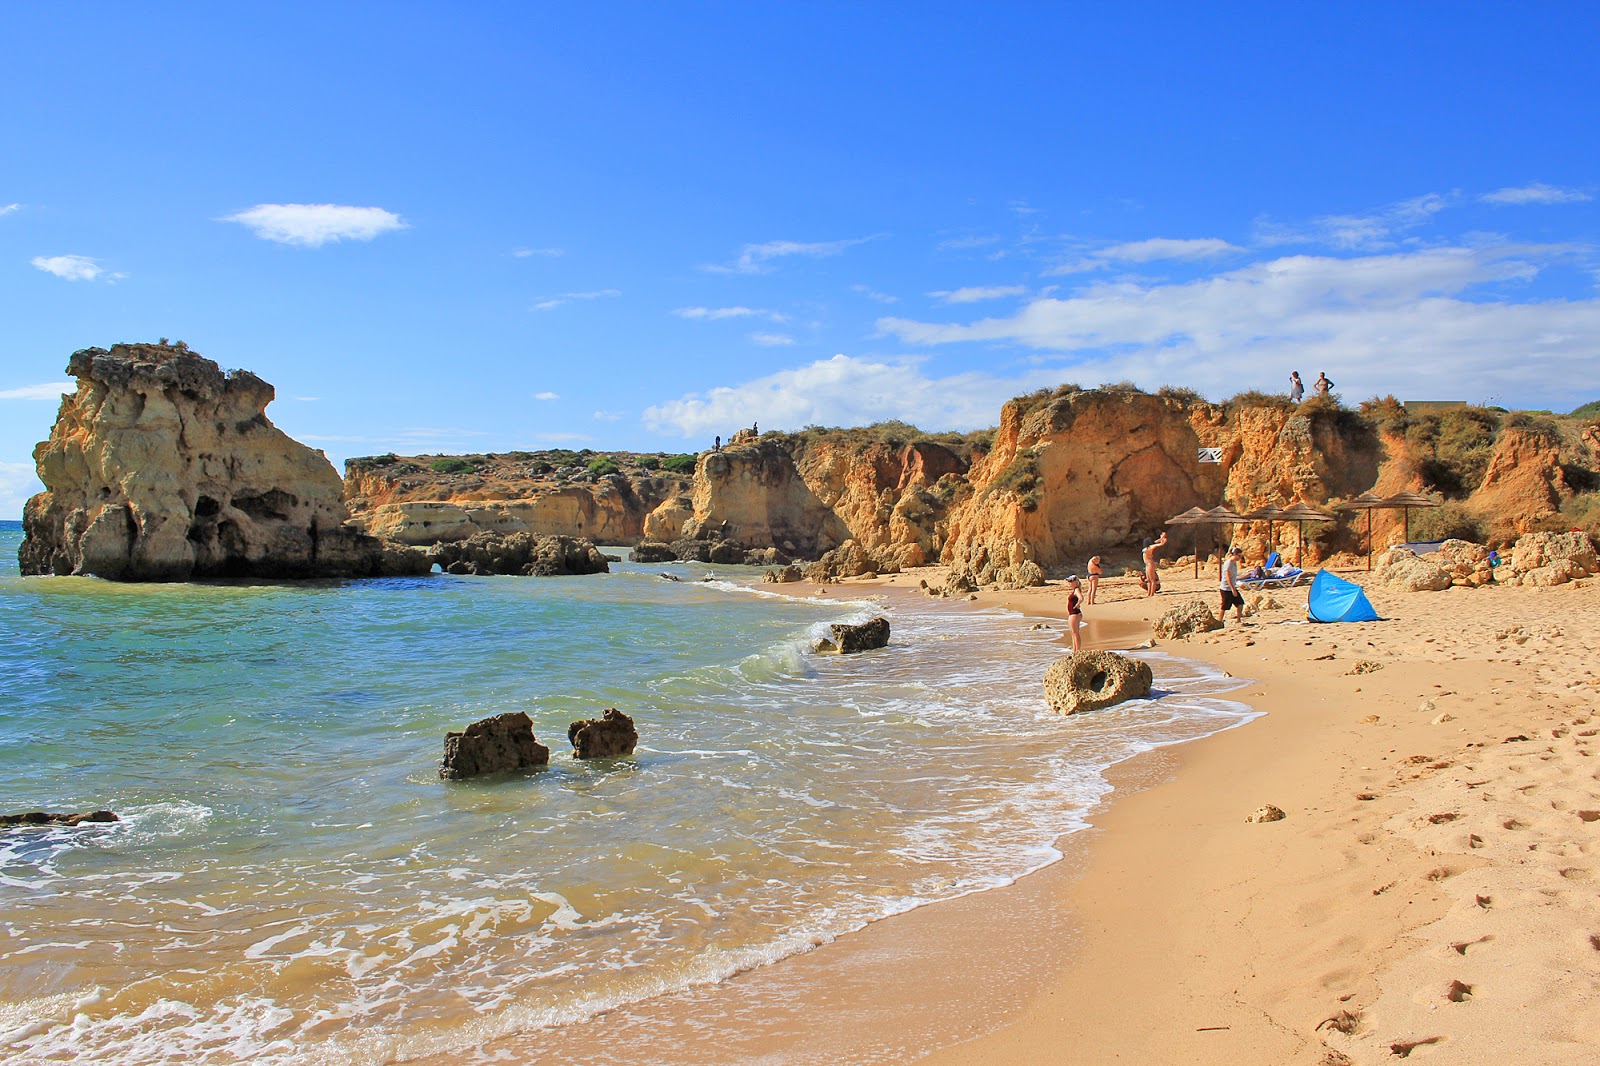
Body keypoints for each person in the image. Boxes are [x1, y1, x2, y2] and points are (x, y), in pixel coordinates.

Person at [1219, 545, 1246, 624]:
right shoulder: (1229, 563)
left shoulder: (1234, 563)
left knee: (1240, 603)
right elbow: (1228, 577)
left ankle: (1238, 620)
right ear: (1234, 554)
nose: (1240, 557)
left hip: (1232, 587)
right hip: (1226, 588)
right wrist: (1233, 589)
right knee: (1224, 606)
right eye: (1239, 555)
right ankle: (1219, 621)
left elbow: (1233, 576)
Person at [1141, 532, 1167, 597]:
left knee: (1152, 580)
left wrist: (1163, 539)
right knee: (1148, 580)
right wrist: (1161, 538)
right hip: (1147, 564)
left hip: (1150, 564)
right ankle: (1149, 593)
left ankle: (1152, 594)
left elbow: (1159, 544)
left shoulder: (1150, 547)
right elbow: (1156, 542)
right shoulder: (1147, 547)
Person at [1065, 575, 1084, 652]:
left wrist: (1078, 604)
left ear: (1076, 582)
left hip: (1075, 613)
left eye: (1071, 582)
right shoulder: (1075, 590)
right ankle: (1075, 650)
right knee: (1073, 633)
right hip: (1073, 614)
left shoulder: (1077, 590)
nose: (1069, 584)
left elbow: (1081, 598)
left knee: (1075, 633)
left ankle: (1077, 650)